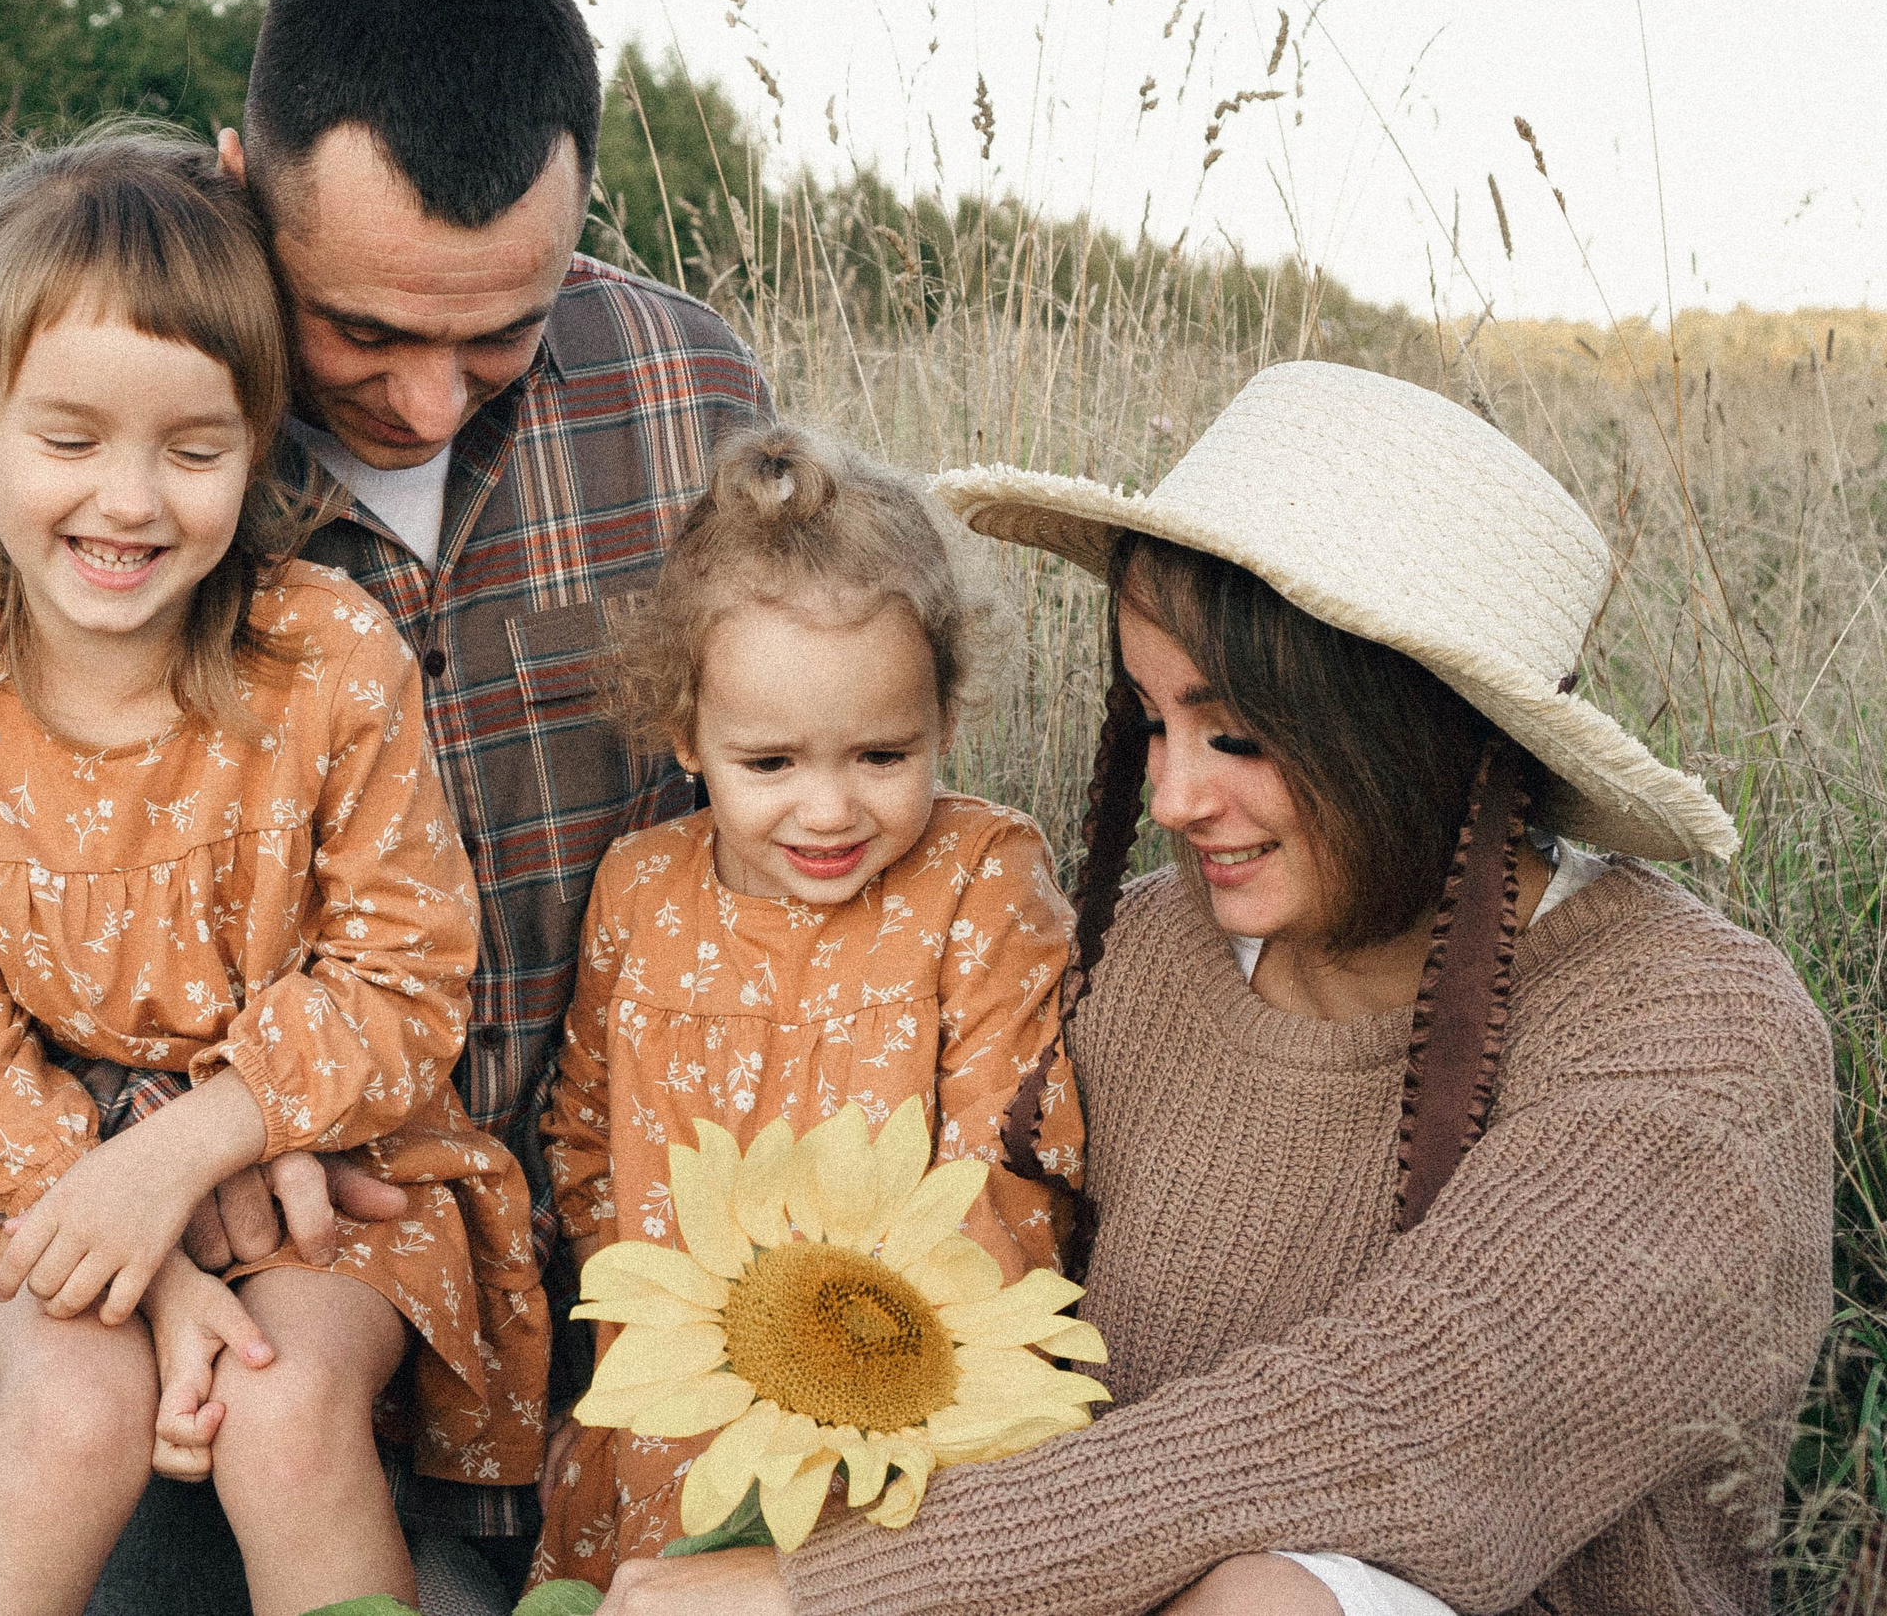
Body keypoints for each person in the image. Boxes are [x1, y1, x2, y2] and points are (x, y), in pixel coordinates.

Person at [0, 0, 768, 1610]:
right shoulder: (45, 477)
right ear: (239, 187)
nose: (431, 401)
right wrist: (160, 1159)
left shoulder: (687, 393)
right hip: (174, 1346)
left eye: (501, 332)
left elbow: (773, 841)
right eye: (361, 330)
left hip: (577, 1315)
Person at [584, 362, 1833, 1616]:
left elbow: (1407, 1417)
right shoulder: (1144, 956)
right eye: (1151, 722)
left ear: (1411, 727)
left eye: (1234, 735)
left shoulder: (1693, 1032)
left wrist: (825, 1589)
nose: (1175, 798)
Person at [0, 124, 543, 1616]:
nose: (131, 501)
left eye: (195, 449)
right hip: (46, 1180)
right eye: (71, 440)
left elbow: (408, 975)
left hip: (343, 1167)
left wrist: (184, 1153)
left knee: (281, 1407)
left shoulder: (328, 658)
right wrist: (137, 1240)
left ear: (258, 439)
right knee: (73, 1415)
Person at [525, 427, 1091, 1592]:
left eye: (881, 755)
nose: (827, 810)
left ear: (945, 719)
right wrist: (655, 1317)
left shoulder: (977, 879)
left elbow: (1008, 1163)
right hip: (673, 1400)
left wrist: (901, 1384)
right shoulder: (640, 887)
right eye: (770, 764)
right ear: (687, 735)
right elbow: (583, 1127)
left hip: (898, 1411)